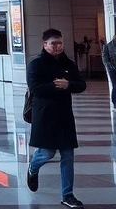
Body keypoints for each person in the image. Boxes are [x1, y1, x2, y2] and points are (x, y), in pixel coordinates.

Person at [25, 28, 87, 209]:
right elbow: (35, 88)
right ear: (45, 44)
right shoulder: (35, 64)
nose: (58, 47)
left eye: (60, 43)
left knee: (68, 155)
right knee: (47, 152)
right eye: (54, 44)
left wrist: (68, 84)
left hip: (64, 115)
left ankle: (68, 195)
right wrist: (56, 86)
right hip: (44, 115)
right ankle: (32, 168)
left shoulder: (68, 63)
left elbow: (81, 84)